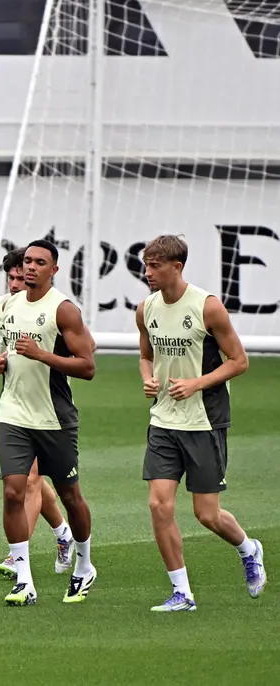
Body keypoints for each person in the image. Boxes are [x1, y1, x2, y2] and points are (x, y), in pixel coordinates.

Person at [136, 234, 265, 611]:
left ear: (177, 267)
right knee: (159, 505)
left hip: (205, 421)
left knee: (206, 514)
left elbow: (239, 361)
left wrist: (196, 383)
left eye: (155, 266)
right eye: (146, 265)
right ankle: (182, 593)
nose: (148, 273)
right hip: (163, 421)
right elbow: (146, 355)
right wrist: (147, 376)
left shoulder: (207, 307)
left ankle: (248, 548)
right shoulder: (146, 309)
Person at [0, 240, 97, 607]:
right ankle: (24, 580)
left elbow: (88, 366)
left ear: (53, 270)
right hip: (13, 413)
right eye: (27, 261)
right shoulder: (0, 307)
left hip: (54, 417)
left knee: (70, 496)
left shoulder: (63, 311)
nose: (30, 268)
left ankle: (84, 563)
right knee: (15, 490)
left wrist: (43, 354)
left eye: (39, 262)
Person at [0, 248, 74, 580]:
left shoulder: (55, 307)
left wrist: (45, 353)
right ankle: (61, 534)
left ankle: (20, 554)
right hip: (14, 404)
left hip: (50, 406)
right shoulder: (3, 308)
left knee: (33, 480)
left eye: (18, 275)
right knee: (27, 481)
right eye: (10, 277)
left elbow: (87, 350)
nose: (15, 282)